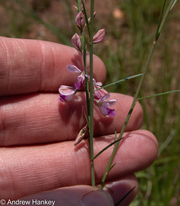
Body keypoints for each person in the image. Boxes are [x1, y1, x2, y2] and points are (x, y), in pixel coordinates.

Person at [0, 36, 158, 206]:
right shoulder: (80, 82)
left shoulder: (93, 90)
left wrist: (95, 93)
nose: (81, 79)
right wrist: (79, 86)